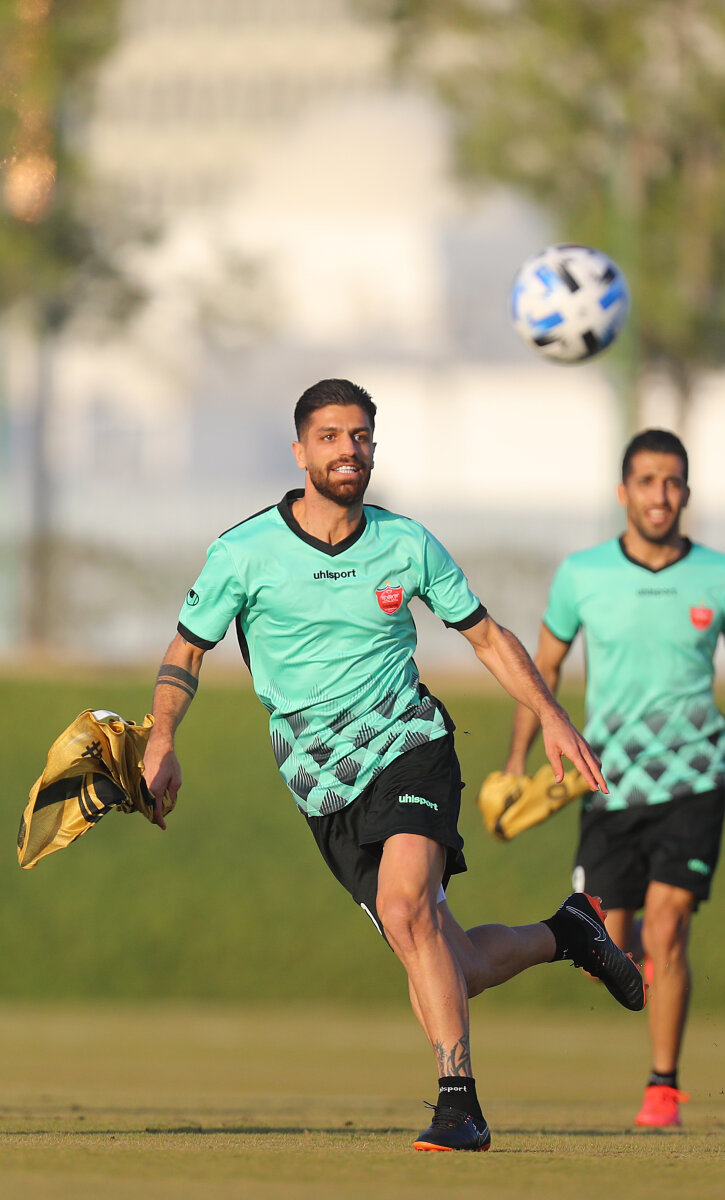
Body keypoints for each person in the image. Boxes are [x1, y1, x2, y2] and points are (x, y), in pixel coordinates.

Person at [142, 378, 645, 1153]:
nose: (349, 450)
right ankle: (568, 932)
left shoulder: (407, 543)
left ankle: (459, 1104)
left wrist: (550, 714)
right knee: (451, 961)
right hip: (321, 787)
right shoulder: (242, 552)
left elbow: (485, 636)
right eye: (331, 436)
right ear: (300, 451)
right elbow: (186, 652)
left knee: (407, 908)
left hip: (412, 748)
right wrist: (162, 737)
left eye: (361, 436)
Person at [502, 428, 725, 1129]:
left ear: (687, 492)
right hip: (607, 782)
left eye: (673, 481)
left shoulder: (723, 576)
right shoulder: (582, 574)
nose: (661, 495)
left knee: (669, 924)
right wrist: (515, 762)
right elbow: (541, 670)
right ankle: (636, 964)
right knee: (605, 945)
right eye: (648, 481)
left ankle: (663, 1087)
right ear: (623, 492)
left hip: (695, 777)